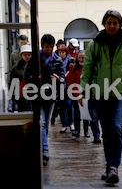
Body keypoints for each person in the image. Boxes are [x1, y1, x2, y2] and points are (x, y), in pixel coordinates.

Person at [78, 9, 122, 185]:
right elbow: (88, 69)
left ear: (120, 24)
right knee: (107, 132)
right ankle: (109, 167)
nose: (112, 26)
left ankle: (114, 166)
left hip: (121, 93)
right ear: (104, 24)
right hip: (100, 94)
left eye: (115, 23)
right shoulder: (95, 44)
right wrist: (83, 89)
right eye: (109, 23)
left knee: (115, 127)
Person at [25, 34, 64, 165]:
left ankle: (42, 146)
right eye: (47, 47)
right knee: (41, 122)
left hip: (51, 96)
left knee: (46, 123)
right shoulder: (35, 59)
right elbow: (27, 75)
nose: (49, 49)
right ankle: (45, 150)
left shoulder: (57, 59)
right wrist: (36, 79)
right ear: (42, 46)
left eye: (51, 47)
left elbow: (63, 77)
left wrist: (58, 79)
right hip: (36, 95)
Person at [66, 50, 90, 138]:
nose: (81, 59)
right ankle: (77, 130)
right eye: (79, 57)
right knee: (77, 113)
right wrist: (77, 94)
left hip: (86, 94)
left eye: (83, 58)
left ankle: (86, 131)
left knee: (86, 113)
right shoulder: (73, 68)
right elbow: (70, 82)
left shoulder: (88, 68)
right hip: (76, 94)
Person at [53, 43, 75, 133]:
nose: (61, 54)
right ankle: (64, 124)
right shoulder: (56, 61)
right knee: (62, 106)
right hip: (60, 86)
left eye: (63, 52)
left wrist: (68, 74)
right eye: (60, 52)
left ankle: (71, 123)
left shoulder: (70, 60)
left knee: (70, 104)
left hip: (69, 86)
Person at [8, 34, 29, 112]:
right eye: (21, 43)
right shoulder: (14, 55)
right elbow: (11, 71)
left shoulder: (32, 56)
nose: (23, 44)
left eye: (24, 43)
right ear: (18, 43)